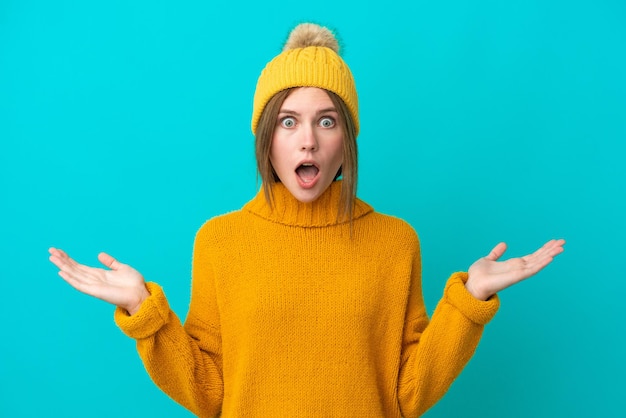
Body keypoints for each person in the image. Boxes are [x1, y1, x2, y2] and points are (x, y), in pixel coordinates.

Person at [48, 23, 565, 417]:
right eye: (288, 121)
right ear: (265, 137)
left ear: (347, 139)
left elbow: (406, 395)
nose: (308, 140)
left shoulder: (395, 241)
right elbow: (208, 393)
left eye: (327, 120)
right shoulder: (221, 241)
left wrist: (468, 300)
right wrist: (145, 310)